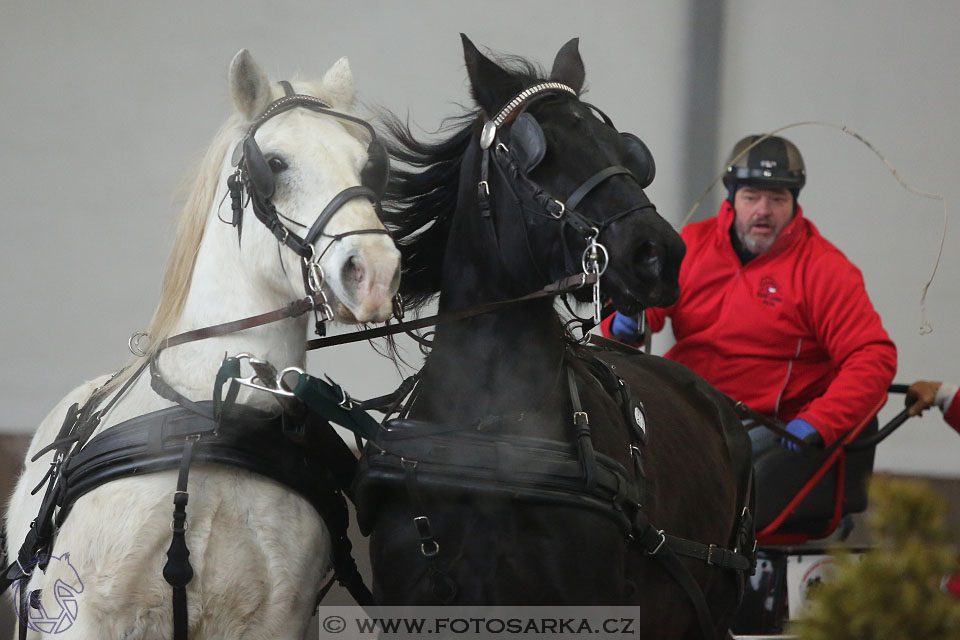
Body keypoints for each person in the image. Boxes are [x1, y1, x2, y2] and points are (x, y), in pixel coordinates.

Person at [603, 134, 897, 453]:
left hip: (763, 425)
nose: (763, 210)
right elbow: (642, 308)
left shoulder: (823, 269)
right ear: (731, 198)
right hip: (683, 407)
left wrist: (821, 421)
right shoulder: (693, 243)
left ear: (794, 202)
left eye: (778, 199)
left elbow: (873, 357)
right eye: (751, 197)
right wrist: (624, 318)